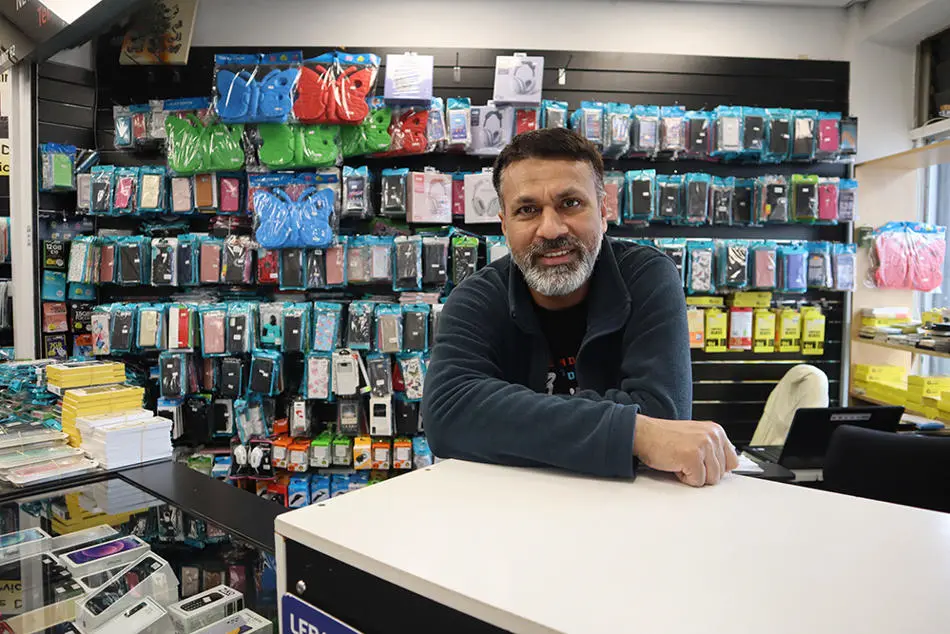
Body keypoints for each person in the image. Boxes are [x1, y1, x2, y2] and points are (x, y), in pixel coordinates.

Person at [422, 128, 739, 486]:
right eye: (527, 210)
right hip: (510, 511)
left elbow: (664, 413)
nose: (551, 229)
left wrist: (506, 419)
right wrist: (636, 433)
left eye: (570, 203)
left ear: (603, 212)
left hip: (624, 509)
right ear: (504, 226)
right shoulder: (474, 298)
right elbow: (448, 413)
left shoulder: (647, 278)